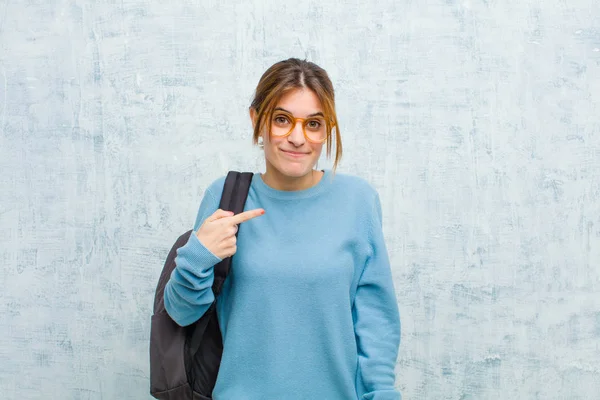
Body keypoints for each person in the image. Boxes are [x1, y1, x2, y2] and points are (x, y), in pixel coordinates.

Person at [164, 58, 401, 400]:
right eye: (281, 120)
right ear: (256, 120)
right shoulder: (225, 197)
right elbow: (182, 313)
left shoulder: (358, 201)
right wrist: (199, 255)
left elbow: (376, 322)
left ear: (327, 130)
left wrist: (381, 394)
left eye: (314, 124)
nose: (297, 138)